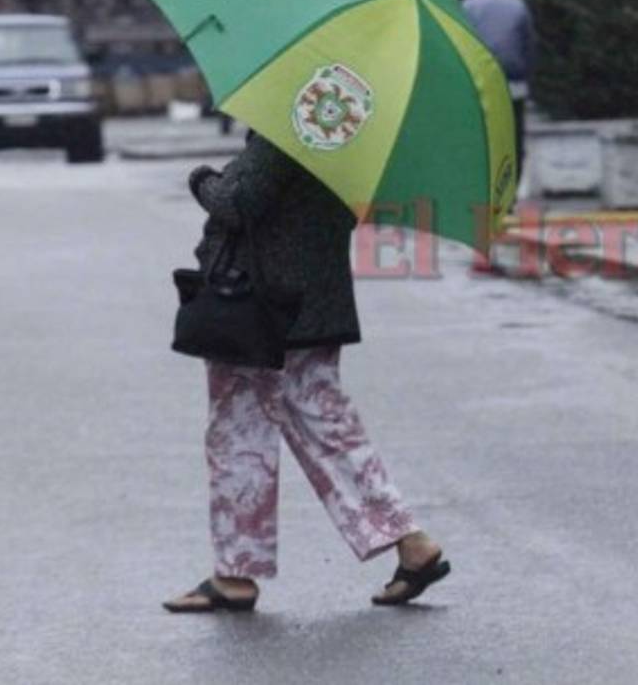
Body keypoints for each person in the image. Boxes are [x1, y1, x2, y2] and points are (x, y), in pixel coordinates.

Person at [164, 133, 450, 612]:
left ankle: (403, 539)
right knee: (287, 430)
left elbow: (239, 201)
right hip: (310, 300)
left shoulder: (295, 114)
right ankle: (240, 569)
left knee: (268, 434)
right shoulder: (357, 123)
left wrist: (202, 180)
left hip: (263, 305)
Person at [463, 0, 536, 184]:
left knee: (482, 141)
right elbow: (529, 46)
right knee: (513, 140)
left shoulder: (466, 6)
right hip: (514, 85)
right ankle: (510, 193)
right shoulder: (518, 6)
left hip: (479, 86)